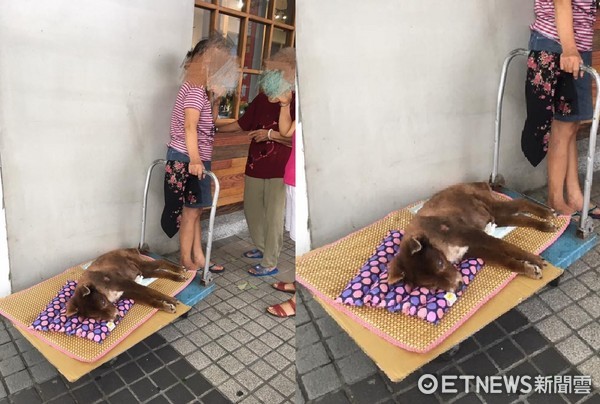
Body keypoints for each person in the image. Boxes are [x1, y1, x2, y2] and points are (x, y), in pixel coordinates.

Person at [218, 49, 295, 277]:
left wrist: (269, 134)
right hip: (255, 165)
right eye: (268, 69)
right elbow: (242, 124)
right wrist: (214, 127)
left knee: (273, 216)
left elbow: (293, 139)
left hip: (280, 168)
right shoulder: (261, 98)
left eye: (276, 70)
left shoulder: (293, 101)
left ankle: (270, 261)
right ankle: (261, 248)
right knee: (252, 210)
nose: (269, 73)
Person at [522, 0, 600, 219]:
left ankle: (574, 196)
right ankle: (555, 200)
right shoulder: (566, 48)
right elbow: (562, 3)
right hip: (559, 46)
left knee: (571, 125)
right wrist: (569, 49)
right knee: (562, 126)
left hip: (575, 47)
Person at [161, 39, 225, 273]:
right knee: (190, 211)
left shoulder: (197, 90)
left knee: (196, 209)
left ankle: (198, 257)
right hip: (189, 159)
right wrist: (196, 160)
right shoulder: (195, 91)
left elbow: (209, 124)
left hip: (192, 158)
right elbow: (189, 127)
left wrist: (216, 99)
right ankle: (185, 262)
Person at [267, 91, 296, 317]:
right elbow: (286, 131)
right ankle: (299, 283)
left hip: (305, 178)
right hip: (293, 176)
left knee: (304, 240)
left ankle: (298, 300)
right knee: (297, 238)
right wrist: (285, 104)